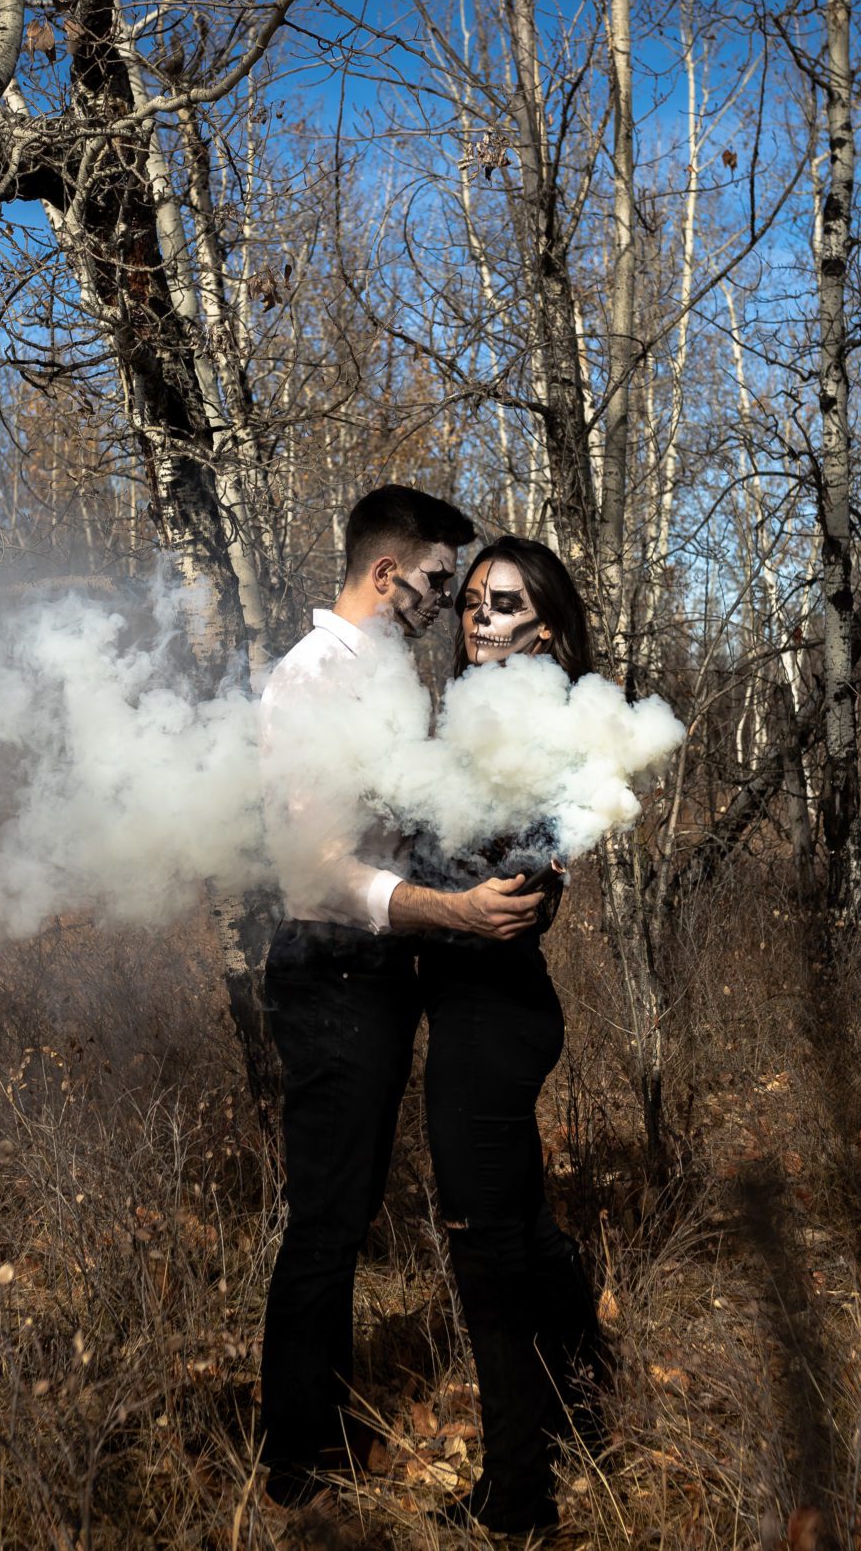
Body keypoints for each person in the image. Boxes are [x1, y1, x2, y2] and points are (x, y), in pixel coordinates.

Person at [254, 486, 550, 1506]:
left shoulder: (383, 683)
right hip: (330, 970)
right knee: (330, 1220)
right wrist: (455, 916)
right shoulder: (312, 685)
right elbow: (319, 873)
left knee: (352, 1209)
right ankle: (298, 1464)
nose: (445, 605)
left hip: (382, 974)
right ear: (387, 576)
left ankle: (323, 1434)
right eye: (434, 582)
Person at [419, 536, 614, 1539]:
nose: (479, 619)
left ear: (545, 625)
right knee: (524, 1228)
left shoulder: (549, 728)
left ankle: (517, 1496)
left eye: (503, 606)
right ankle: (585, 1408)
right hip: (488, 1011)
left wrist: (401, 886)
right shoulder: (468, 717)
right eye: (472, 603)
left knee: (483, 1255)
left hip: (492, 1018)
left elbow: (518, 898)